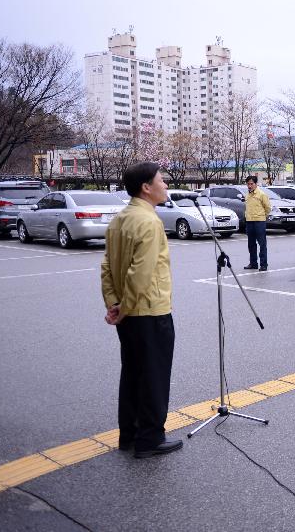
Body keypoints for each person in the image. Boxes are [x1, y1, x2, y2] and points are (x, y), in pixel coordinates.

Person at [101, 161, 182, 459]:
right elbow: (141, 272)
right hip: (150, 311)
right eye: (162, 180)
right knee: (154, 376)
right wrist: (125, 307)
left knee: (133, 373)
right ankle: (150, 438)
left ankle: (130, 435)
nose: (165, 185)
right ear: (146, 187)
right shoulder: (149, 222)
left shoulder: (120, 219)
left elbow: (107, 266)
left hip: (128, 313)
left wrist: (114, 304)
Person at [243, 176, 271, 271]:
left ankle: (263, 264)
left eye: (251, 184)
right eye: (248, 184)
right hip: (249, 221)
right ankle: (253, 263)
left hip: (259, 221)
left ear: (256, 184)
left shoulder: (261, 194)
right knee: (251, 244)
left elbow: (267, 208)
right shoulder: (247, 195)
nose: (249, 186)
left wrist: (262, 216)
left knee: (262, 244)